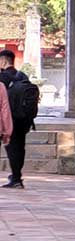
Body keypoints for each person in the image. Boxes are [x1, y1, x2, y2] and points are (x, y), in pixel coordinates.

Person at [0, 49, 33, 189]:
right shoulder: (22, 76)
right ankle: (16, 176)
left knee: (12, 148)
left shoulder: (3, 78)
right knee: (20, 147)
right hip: (24, 118)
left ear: (3, 60)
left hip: (11, 118)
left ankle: (16, 178)